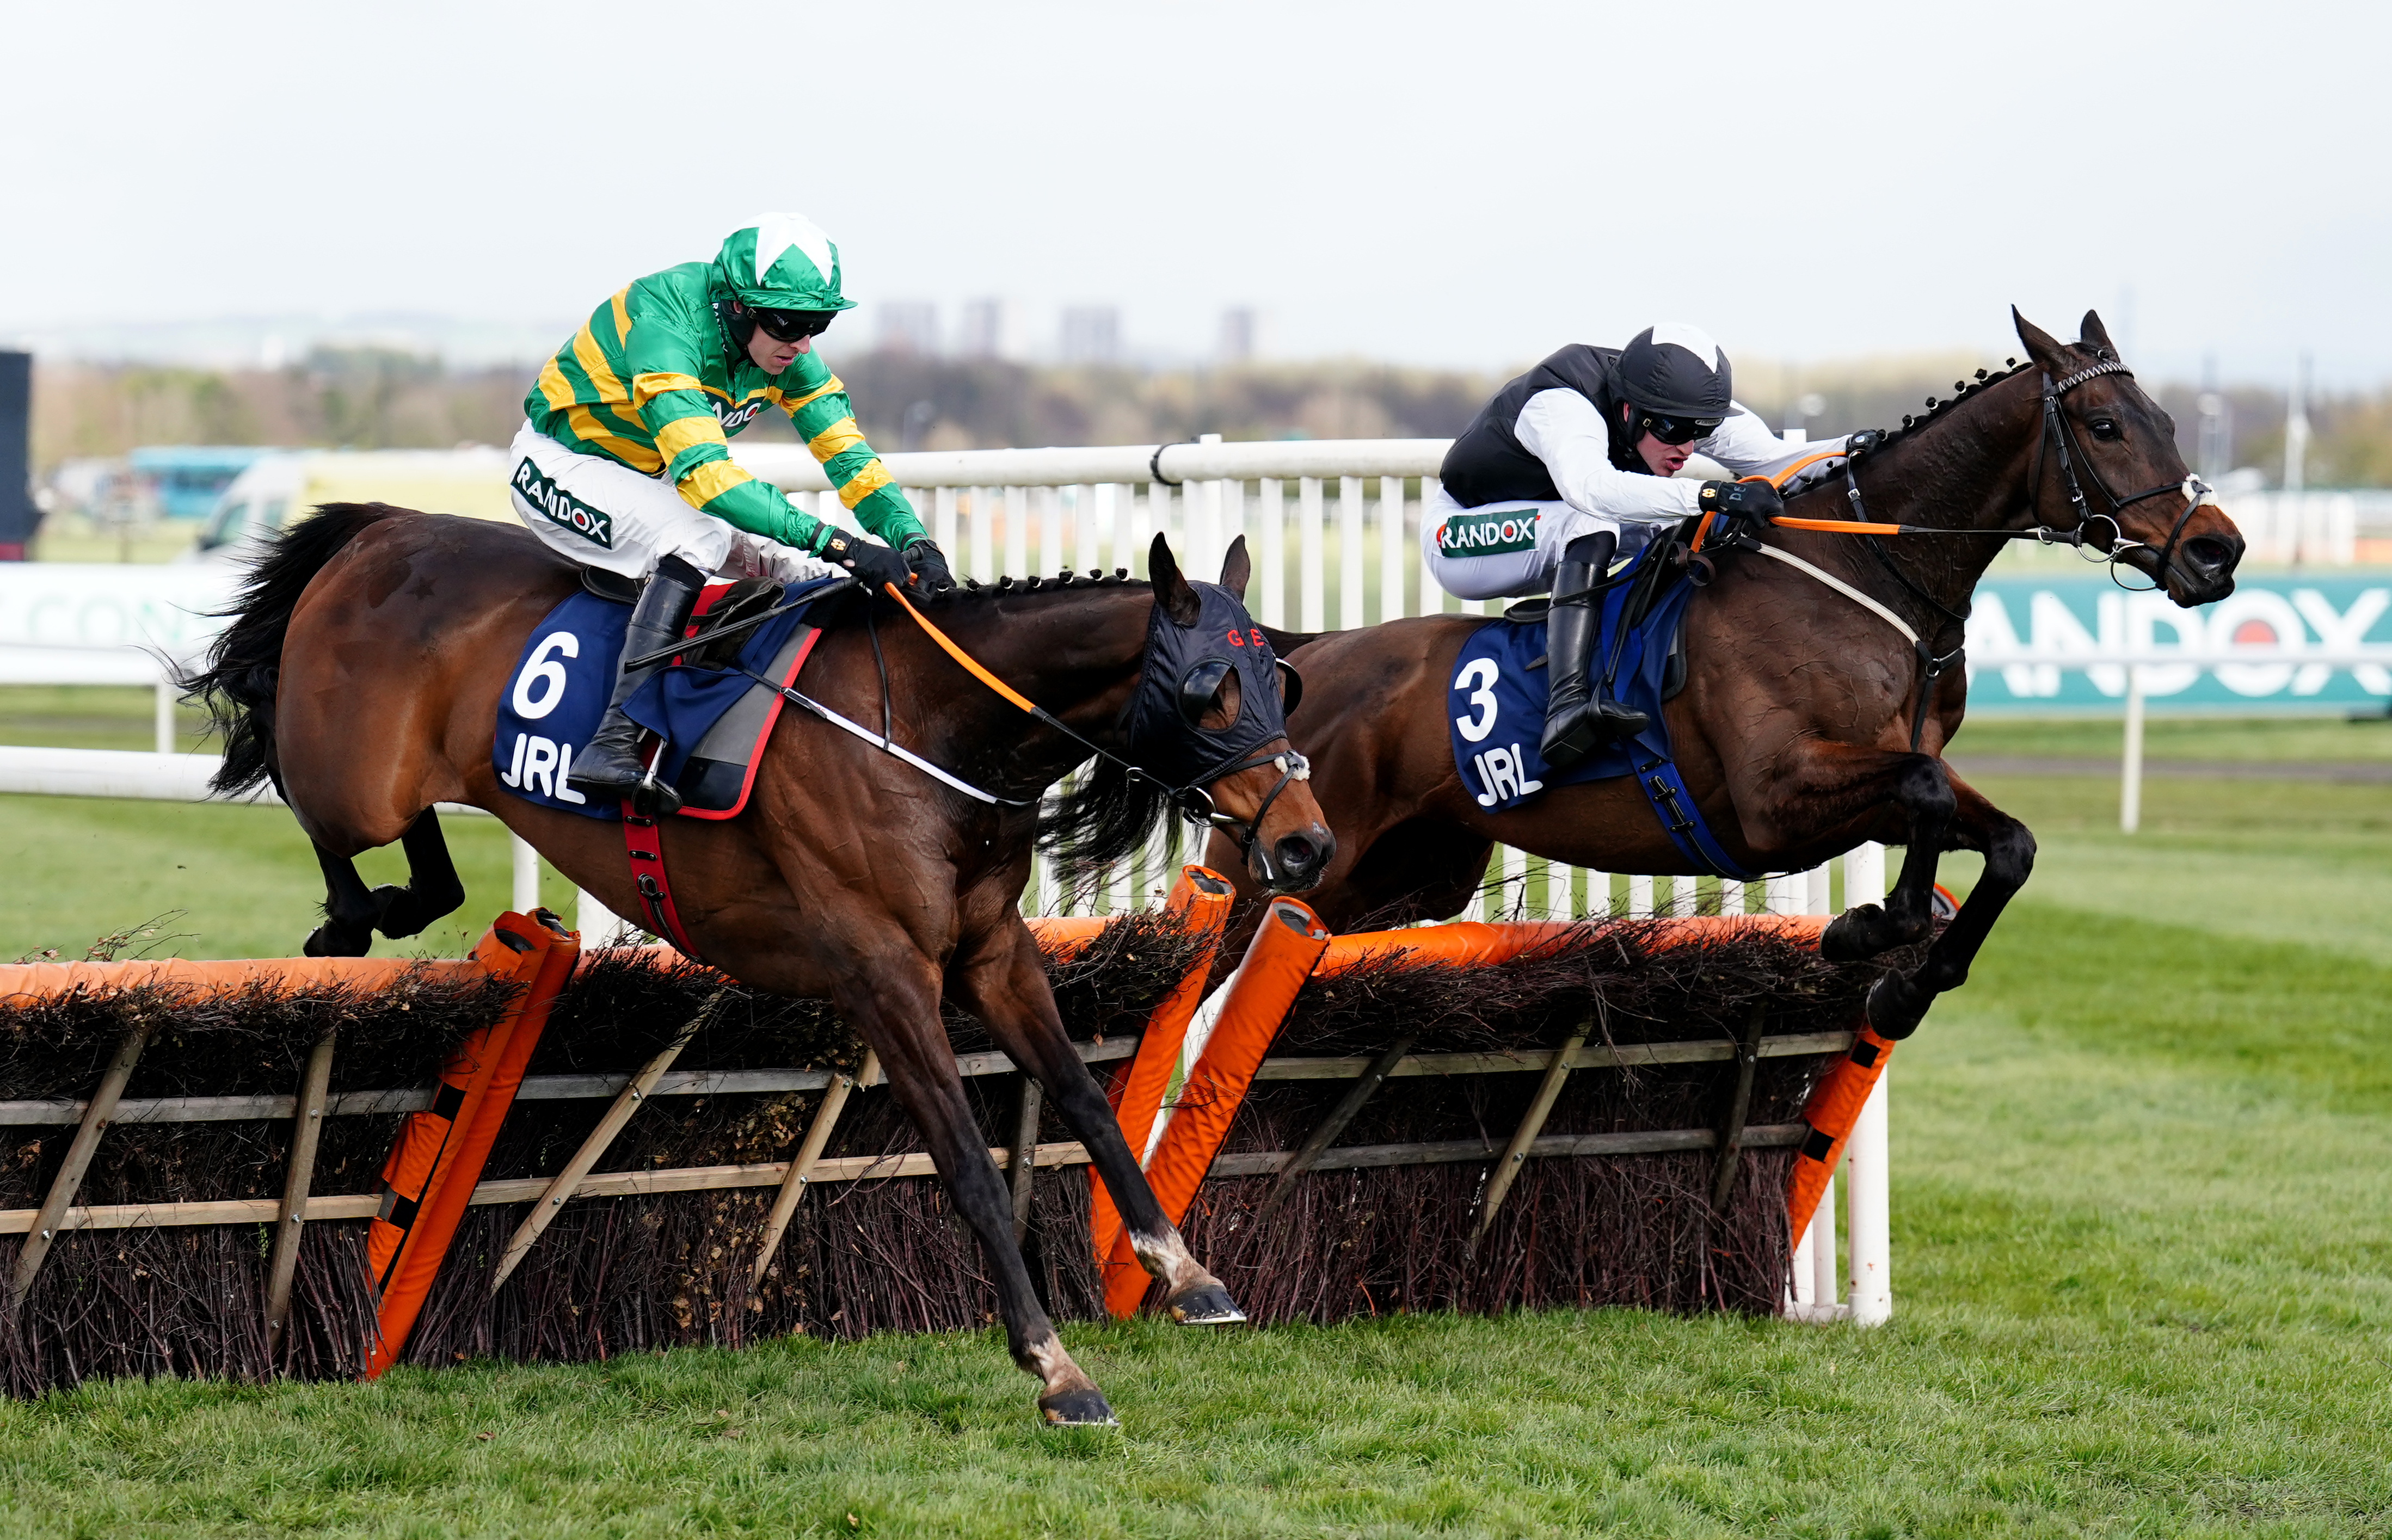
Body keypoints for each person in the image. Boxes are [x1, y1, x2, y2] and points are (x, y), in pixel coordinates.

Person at [508, 212, 954, 809]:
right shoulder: (666, 319)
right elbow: (706, 479)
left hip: (649, 473)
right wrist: (844, 543)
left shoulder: (791, 356)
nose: (802, 343)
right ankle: (611, 741)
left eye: (818, 324)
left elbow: (850, 459)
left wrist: (911, 541)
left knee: (802, 571)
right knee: (695, 538)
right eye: (790, 323)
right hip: (561, 465)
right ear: (739, 306)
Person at [1424, 323, 1839, 771]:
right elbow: (1591, 490)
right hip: (1460, 537)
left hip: (1555, 528)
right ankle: (1565, 707)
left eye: (1700, 432)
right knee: (1595, 517)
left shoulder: (1675, 409)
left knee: (1691, 524)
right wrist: (1710, 492)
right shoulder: (1562, 406)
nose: (1685, 448)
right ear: (1628, 412)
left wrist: (1865, 446)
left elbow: (1780, 461)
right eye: (1674, 431)